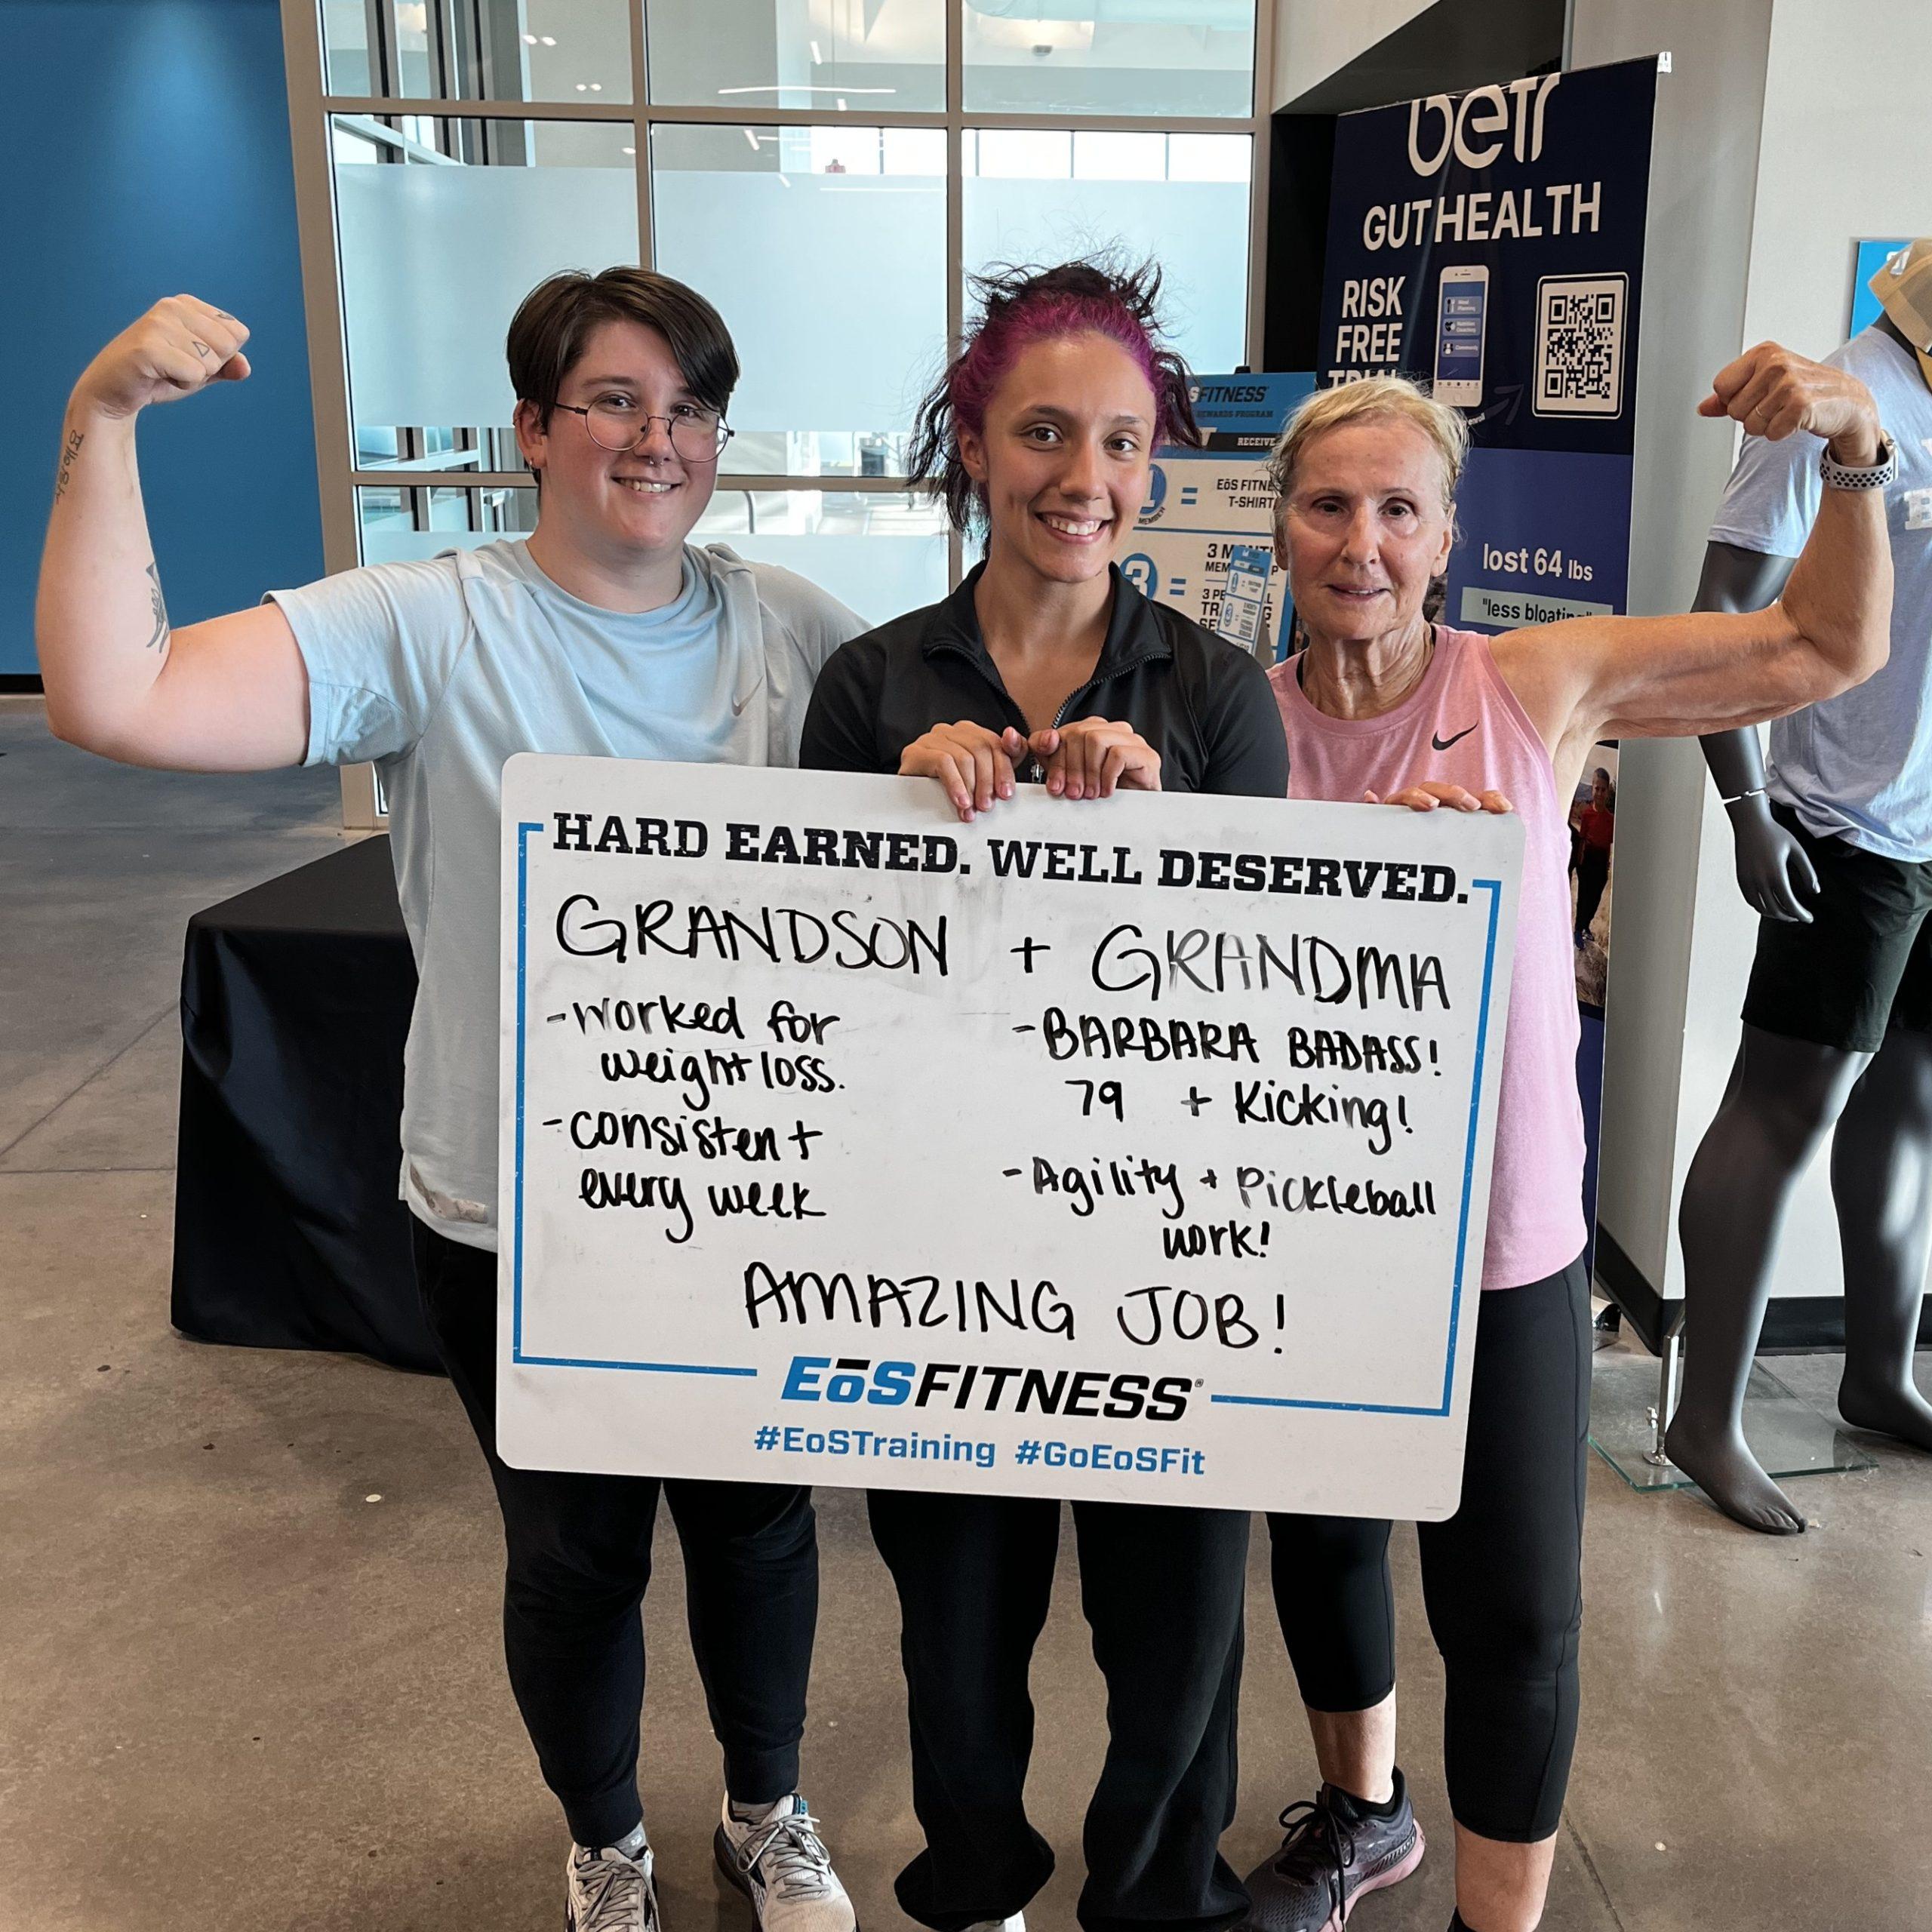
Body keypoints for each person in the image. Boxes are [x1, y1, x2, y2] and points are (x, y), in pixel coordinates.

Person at [38, 269, 869, 1932]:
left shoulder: (791, 623)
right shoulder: (427, 621)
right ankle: (609, 1833)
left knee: (761, 1529)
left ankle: (765, 1804)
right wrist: (102, 420)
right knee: (573, 1557)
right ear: (534, 431)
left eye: (691, 406)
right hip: (513, 1212)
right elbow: (111, 696)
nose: (659, 436)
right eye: (618, 399)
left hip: (757, 1208)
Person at [1241, 348, 1892, 1932]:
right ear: (1278, 529)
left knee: (1514, 1609)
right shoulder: (1230, 727)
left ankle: (1496, 1918)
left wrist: (1858, 453)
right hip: (1307, 1237)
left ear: (1446, 532)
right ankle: (1361, 1813)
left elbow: (1824, 642)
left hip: (1501, 1231)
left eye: (1397, 508)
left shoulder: (1533, 686)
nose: (1359, 542)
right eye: (1326, 505)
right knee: (1325, 1552)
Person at [799, 260, 1288, 1932]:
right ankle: (976, 1890)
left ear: (1154, 464)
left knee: (1175, 1641)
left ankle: (1155, 1897)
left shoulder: (1217, 696)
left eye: (1120, 441)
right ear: (972, 442)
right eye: (1041, 432)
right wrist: (885, 807)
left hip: (1161, 1255)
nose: (1082, 477)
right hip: (937, 1243)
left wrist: (1165, 836)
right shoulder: (869, 686)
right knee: (952, 1623)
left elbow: (1262, 1017)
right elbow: (813, 992)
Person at [1669, 238, 1932, 1533]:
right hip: (1848, 823)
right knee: (1781, 1110)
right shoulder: (1830, 403)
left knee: (1914, 1099)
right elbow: (1728, 617)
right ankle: (1705, 1415)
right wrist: (1747, 803)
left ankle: (1881, 1372)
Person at [1570, 768, 1614, 946]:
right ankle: (1578, 930)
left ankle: (1587, 925)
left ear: (1607, 791)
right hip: (1587, 859)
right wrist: (1579, 864)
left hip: (1601, 861)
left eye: (1603, 790)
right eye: (1597, 789)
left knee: (1595, 898)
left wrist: (1607, 865)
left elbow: (1609, 845)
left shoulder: (1610, 819)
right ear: (1592, 789)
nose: (1600, 793)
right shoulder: (1587, 814)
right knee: (1584, 897)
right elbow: (1582, 840)